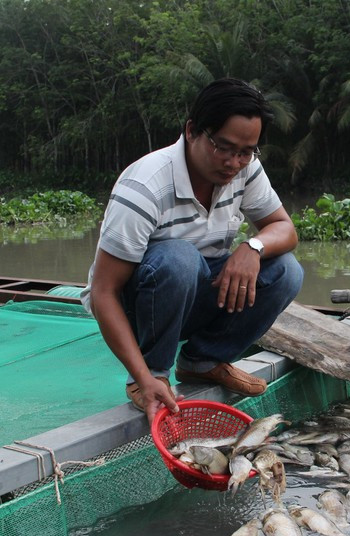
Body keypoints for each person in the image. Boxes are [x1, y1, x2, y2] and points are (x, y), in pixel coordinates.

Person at [81, 78, 304, 423]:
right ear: (192, 131)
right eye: (224, 148)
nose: (233, 162)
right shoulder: (145, 186)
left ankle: (203, 361)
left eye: (246, 152)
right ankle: (152, 375)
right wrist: (142, 375)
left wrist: (253, 246)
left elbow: (285, 229)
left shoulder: (246, 170)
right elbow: (103, 292)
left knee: (286, 270)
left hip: (194, 292)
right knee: (179, 259)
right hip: (139, 305)